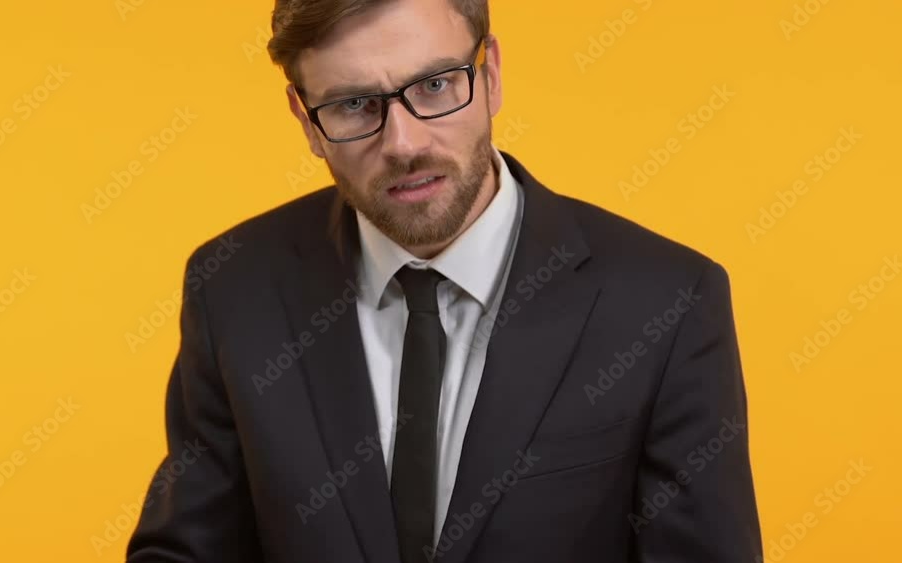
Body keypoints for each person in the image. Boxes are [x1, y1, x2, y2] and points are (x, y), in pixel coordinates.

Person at [126, 0, 763, 561]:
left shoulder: (669, 301)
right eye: (354, 105)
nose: (404, 143)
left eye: (434, 85)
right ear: (304, 119)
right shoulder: (233, 286)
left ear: (489, 75)